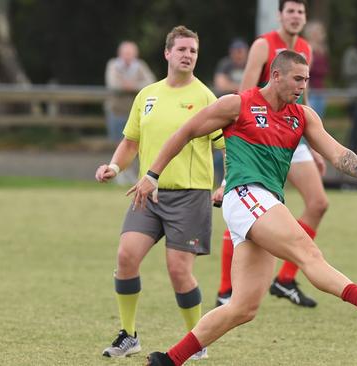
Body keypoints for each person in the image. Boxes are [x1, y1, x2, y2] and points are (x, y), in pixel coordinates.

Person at [127, 49, 357, 366]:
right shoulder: (237, 104)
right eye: (298, 79)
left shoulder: (303, 116)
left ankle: (168, 360)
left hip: (263, 203)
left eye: (307, 80)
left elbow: (338, 154)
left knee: (243, 308)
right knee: (307, 252)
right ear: (276, 75)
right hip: (245, 195)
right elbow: (185, 132)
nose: (303, 86)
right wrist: (152, 175)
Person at [95, 26, 224, 359]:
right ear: (167, 53)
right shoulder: (147, 95)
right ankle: (129, 335)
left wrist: (226, 183)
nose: (187, 55)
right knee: (126, 257)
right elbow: (130, 142)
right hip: (147, 194)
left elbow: (227, 147)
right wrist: (114, 166)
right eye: (181, 49)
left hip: (191, 195)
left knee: (179, 271)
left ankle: (197, 342)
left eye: (193, 51)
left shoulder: (206, 97)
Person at [214, 0, 328, 309]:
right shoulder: (263, 45)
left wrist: (313, 143)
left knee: (318, 203)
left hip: (290, 132)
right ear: (280, 15)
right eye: (290, 11)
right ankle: (225, 290)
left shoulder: (305, 48)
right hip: (257, 136)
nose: (295, 16)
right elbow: (242, 101)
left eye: (300, 12)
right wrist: (229, 172)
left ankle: (285, 279)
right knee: (246, 207)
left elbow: (302, 97)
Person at [104, 41, 156, 184]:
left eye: (130, 53)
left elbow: (150, 82)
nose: (128, 56)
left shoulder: (140, 66)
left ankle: (134, 173)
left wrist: (130, 86)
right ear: (120, 54)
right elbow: (113, 84)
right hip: (117, 110)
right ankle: (118, 172)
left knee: (136, 144)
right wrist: (135, 86)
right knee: (118, 142)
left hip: (136, 112)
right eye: (125, 53)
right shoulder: (113, 65)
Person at [212, 38, 249, 185]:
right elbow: (221, 84)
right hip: (225, 111)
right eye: (236, 51)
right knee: (221, 145)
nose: (239, 55)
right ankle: (219, 177)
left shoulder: (249, 64)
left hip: (244, 112)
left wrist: (233, 86)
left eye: (241, 51)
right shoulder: (225, 65)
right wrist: (242, 87)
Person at [304, 21, 329, 118]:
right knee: (310, 118)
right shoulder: (308, 48)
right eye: (317, 32)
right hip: (311, 91)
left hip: (321, 90)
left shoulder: (323, 50)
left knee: (319, 120)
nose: (321, 35)